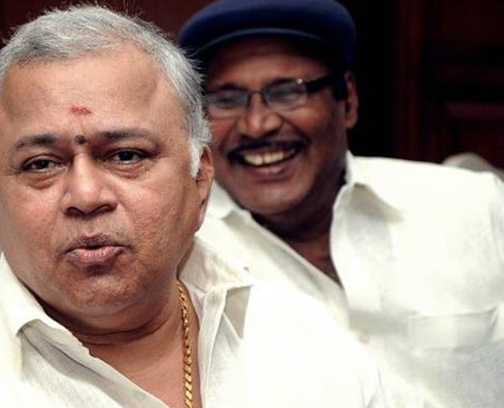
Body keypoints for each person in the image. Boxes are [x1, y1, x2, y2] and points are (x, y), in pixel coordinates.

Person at [0, 5, 386, 408]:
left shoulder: (307, 348)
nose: (86, 196)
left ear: (200, 179)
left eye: (126, 155)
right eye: (41, 164)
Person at [178, 0, 504, 407]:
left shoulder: (474, 207)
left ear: (347, 100)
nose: (257, 124)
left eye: (287, 92)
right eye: (227, 99)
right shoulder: (184, 258)